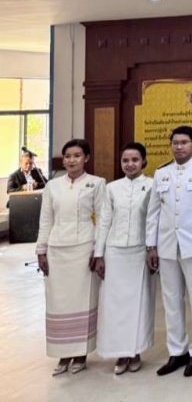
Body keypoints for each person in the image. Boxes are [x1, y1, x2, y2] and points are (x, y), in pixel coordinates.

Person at [145, 125, 192, 378]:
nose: (179, 147)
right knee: (171, 300)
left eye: (184, 142)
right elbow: (153, 212)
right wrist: (151, 245)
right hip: (167, 245)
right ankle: (177, 351)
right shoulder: (161, 173)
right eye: (175, 143)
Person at [36, 139, 107, 376]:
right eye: (67, 156)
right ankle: (63, 354)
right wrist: (41, 250)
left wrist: (98, 251)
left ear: (86, 158)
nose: (71, 160)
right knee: (58, 302)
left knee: (83, 300)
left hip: (84, 248)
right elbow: (46, 219)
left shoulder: (97, 183)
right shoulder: (53, 186)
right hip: (57, 249)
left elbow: (102, 219)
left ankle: (80, 354)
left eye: (77, 156)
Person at [93, 142, 157, 374]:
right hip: (115, 251)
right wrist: (99, 254)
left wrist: (152, 248)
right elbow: (104, 221)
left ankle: (135, 351)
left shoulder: (152, 185)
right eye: (125, 160)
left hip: (140, 251)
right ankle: (120, 353)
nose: (130, 164)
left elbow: (154, 219)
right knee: (115, 305)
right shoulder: (111, 188)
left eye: (135, 160)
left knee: (139, 303)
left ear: (144, 162)